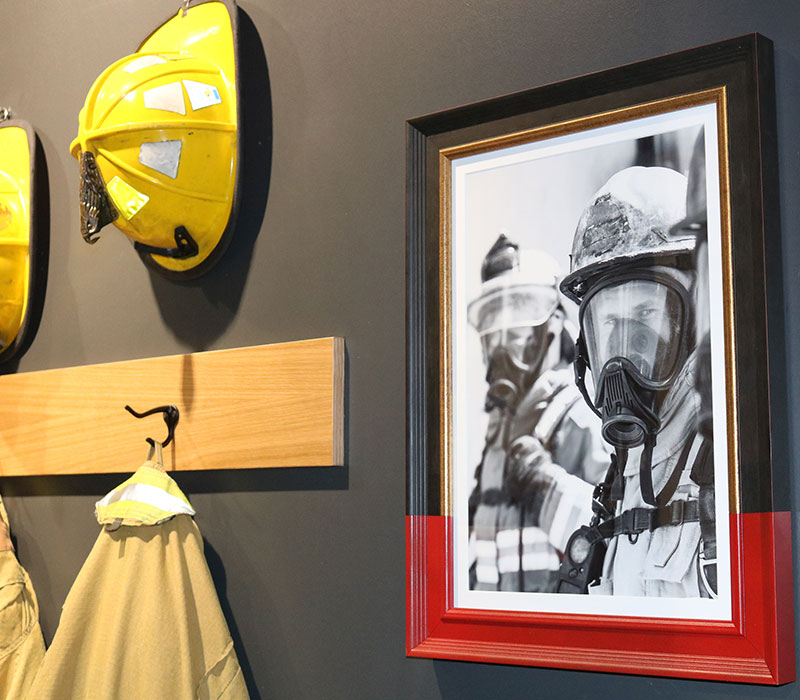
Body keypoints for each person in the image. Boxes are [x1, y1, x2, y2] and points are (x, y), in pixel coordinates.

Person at [506, 166, 717, 598]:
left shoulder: (735, 469)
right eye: (610, 324)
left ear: (697, 319)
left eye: (646, 317)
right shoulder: (624, 477)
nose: (622, 359)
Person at [467, 234, 608, 593]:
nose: (502, 341)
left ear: (553, 324)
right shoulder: (499, 431)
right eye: (493, 322)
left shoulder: (581, 417)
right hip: (493, 633)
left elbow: (619, 542)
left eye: (517, 316)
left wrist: (545, 487)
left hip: (555, 638)